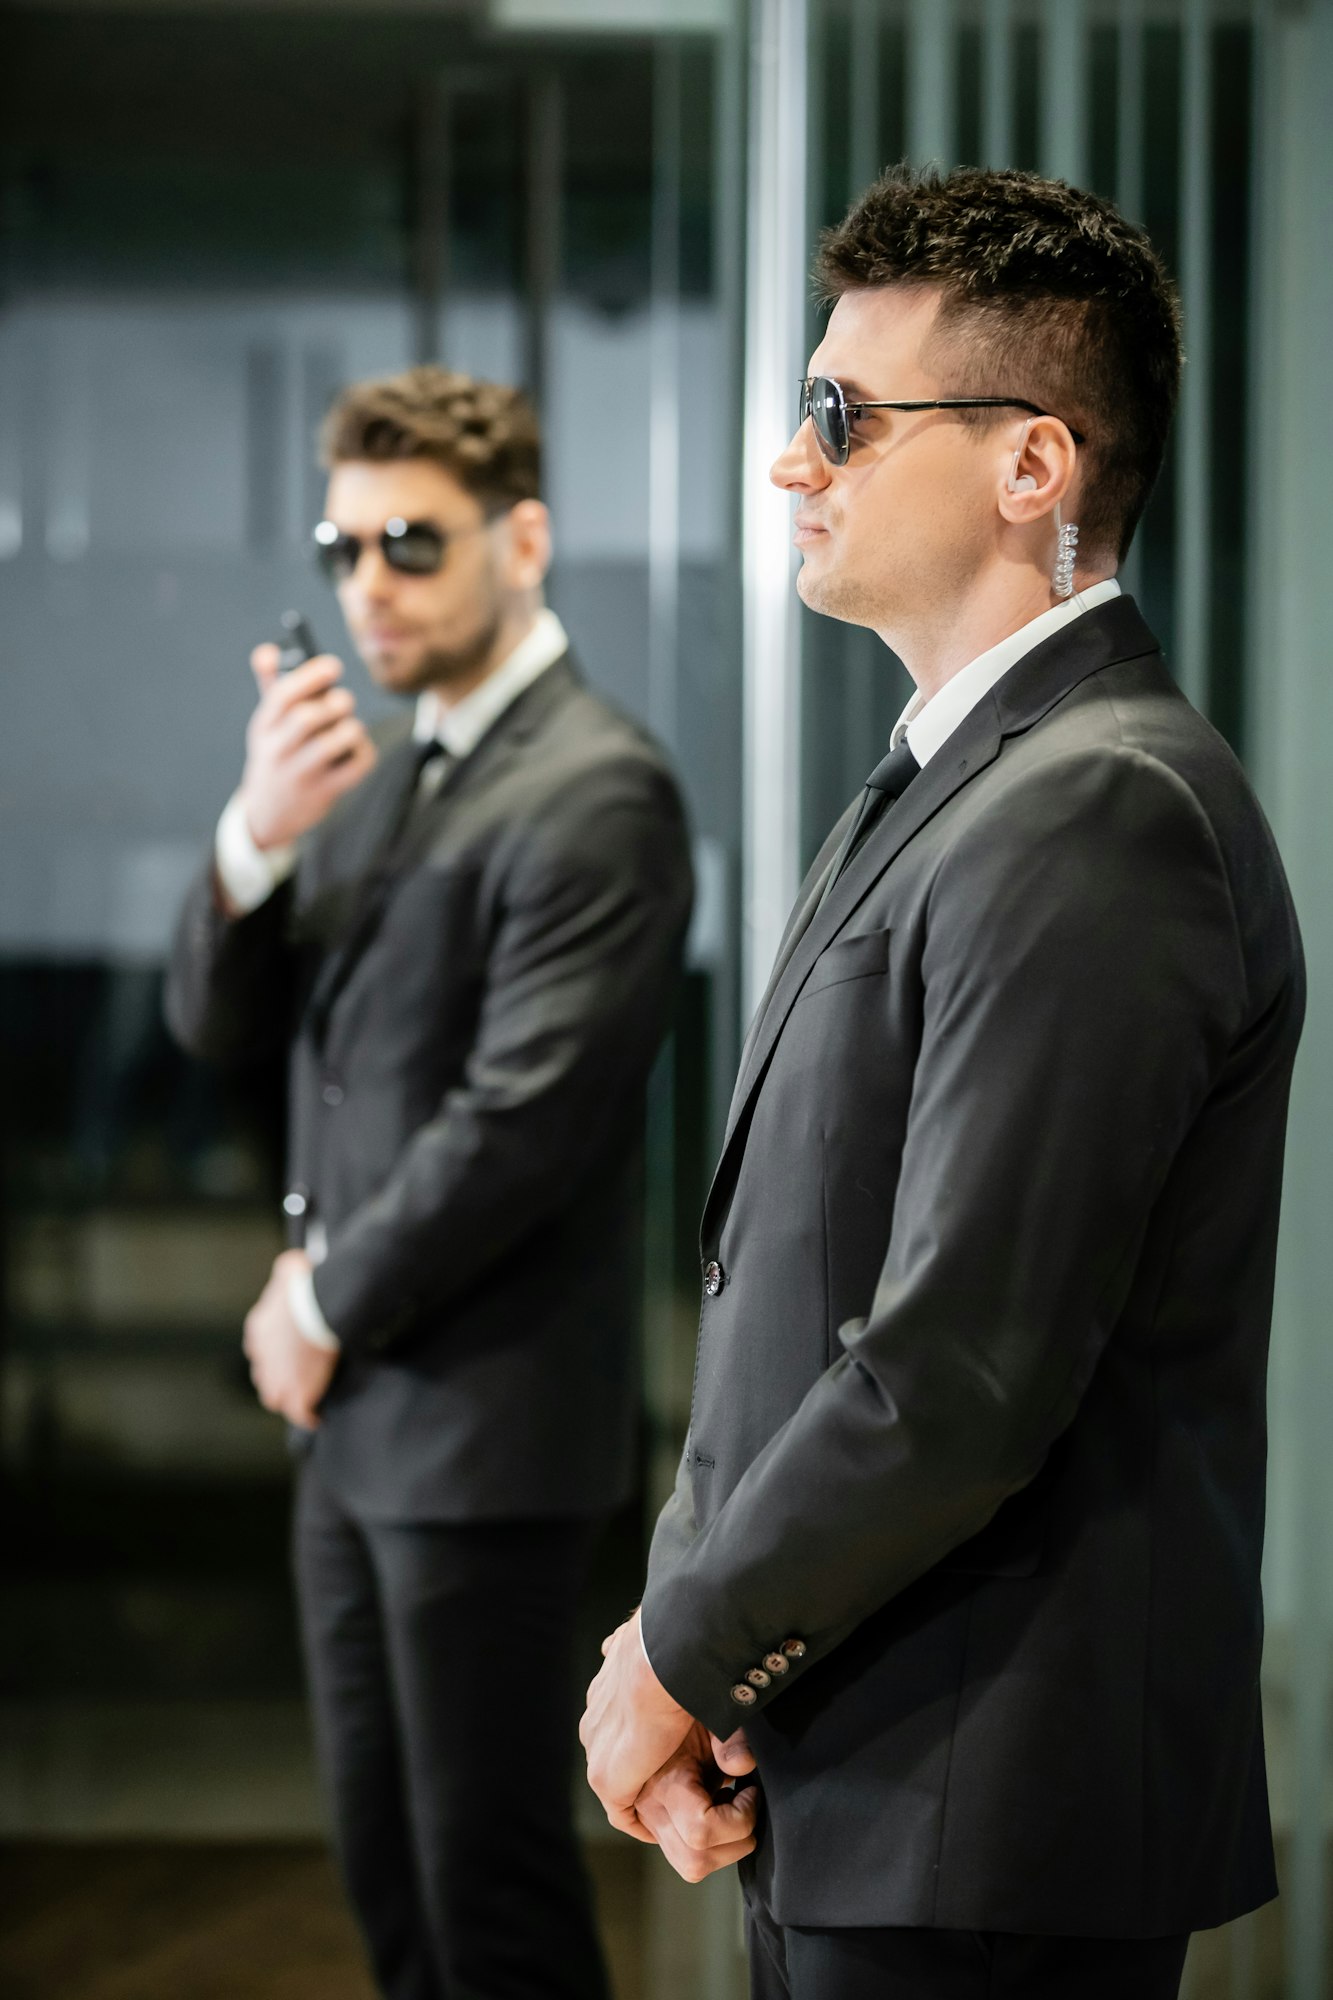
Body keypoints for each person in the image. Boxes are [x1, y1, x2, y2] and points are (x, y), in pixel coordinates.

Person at [581, 165, 1305, 2000]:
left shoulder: (1100, 809)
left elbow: (958, 1367)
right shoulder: (952, 782)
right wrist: (714, 1663)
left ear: (1031, 466)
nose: (789, 462)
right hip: (865, 1765)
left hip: (989, 1814)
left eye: (840, 415)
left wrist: (677, 1652)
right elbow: (792, 1282)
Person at [166, 366, 694, 2000]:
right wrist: (254, 840)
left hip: (484, 1435)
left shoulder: (600, 785)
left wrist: (319, 1296)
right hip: (353, 1435)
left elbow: (517, 1121)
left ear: (521, 536)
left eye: (412, 542)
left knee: (494, 1903)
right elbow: (217, 1024)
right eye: (344, 547)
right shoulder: (383, 782)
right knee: (390, 1887)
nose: (367, 585)